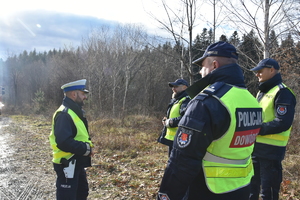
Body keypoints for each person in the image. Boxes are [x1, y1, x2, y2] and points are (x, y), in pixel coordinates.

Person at [157, 41, 263, 200]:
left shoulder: (207, 102)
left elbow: (183, 161)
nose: (200, 72)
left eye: (202, 66)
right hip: (242, 187)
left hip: (208, 189)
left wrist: (166, 196)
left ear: (214, 65)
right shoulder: (251, 101)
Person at [249, 58, 296, 200]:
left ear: (271, 70)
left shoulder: (283, 93)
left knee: (268, 192)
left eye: (260, 71)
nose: (257, 74)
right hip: (255, 149)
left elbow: (282, 122)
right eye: (256, 72)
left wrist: (257, 129)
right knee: (251, 190)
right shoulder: (261, 92)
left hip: (271, 152)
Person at [49, 79, 94, 200]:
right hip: (67, 164)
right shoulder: (64, 114)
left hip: (76, 163)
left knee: (82, 193)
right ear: (74, 94)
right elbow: (63, 142)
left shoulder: (74, 111)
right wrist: (86, 149)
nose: (85, 97)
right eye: (83, 93)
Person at [157, 78, 190, 156]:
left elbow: (186, 118)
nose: (173, 89)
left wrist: (171, 122)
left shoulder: (186, 100)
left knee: (177, 164)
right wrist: (166, 120)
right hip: (173, 139)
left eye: (176, 87)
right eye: (172, 87)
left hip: (181, 140)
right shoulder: (176, 100)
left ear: (184, 87)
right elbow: (173, 114)